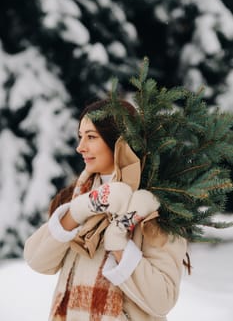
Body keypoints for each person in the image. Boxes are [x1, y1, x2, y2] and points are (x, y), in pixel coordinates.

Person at [24, 98, 188, 321]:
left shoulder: (154, 206)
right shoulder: (78, 196)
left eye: (91, 137)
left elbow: (163, 300)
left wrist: (119, 240)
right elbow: (36, 260)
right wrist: (81, 209)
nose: (80, 147)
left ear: (119, 142)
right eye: (80, 136)